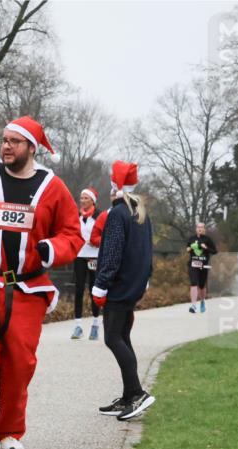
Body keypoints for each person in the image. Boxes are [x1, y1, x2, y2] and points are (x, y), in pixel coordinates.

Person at [0, 116, 82, 449]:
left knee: (19, 363)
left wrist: (52, 249)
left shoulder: (54, 188)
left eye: (14, 141)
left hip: (28, 287)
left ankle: (10, 431)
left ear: (31, 148)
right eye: (4, 139)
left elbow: (72, 234)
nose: (6, 146)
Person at [92, 161, 155, 421]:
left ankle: (138, 393)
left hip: (118, 286)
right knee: (123, 338)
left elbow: (112, 253)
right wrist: (145, 279)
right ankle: (129, 396)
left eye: (111, 184)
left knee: (112, 338)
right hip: (133, 284)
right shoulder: (139, 212)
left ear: (117, 187)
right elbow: (148, 252)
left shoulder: (117, 214)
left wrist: (101, 284)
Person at [71, 186, 105, 340]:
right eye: (81, 197)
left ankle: (95, 325)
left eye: (86, 198)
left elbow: (106, 235)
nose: (82, 200)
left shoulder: (100, 217)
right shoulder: (76, 216)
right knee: (78, 290)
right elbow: (71, 232)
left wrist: (97, 242)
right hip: (79, 256)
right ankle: (78, 326)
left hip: (95, 257)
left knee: (94, 290)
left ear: (93, 201)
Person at [186, 221, 217, 313]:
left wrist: (205, 247)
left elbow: (215, 251)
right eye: (198, 227)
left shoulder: (207, 239)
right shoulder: (192, 238)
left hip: (203, 265)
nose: (199, 229)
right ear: (196, 229)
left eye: (201, 227)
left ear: (204, 229)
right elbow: (187, 249)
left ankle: (202, 301)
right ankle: (194, 305)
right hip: (193, 264)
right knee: (193, 283)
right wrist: (191, 247)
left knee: (202, 286)